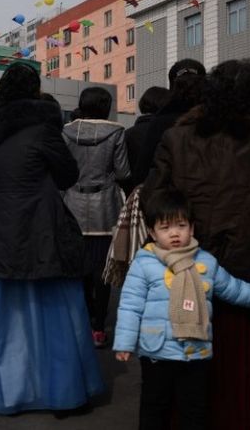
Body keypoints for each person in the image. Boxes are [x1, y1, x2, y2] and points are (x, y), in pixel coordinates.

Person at [142, 59, 250, 430]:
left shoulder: (177, 137)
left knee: (183, 362)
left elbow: (153, 202)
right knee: (236, 367)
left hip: (181, 265)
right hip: (244, 271)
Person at [0, 62, 105, 415]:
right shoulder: (43, 130)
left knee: (6, 316)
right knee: (56, 309)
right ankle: (63, 394)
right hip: (42, 227)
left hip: (0, 230)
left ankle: (6, 392)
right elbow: (67, 175)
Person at [114, 189, 250, 430]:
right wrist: (125, 342)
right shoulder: (143, 263)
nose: (174, 234)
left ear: (191, 228)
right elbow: (130, 305)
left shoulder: (206, 262)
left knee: (194, 410)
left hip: (195, 353)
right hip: (157, 353)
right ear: (152, 232)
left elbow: (233, 288)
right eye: (165, 227)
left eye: (180, 225)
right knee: (154, 407)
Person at [63, 86, 130, 347]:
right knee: (102, 271)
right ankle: (99, 328)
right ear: (106, 106)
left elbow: (64, 170)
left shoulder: (66, 131)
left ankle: (80, 321)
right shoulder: (116, 132)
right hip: (105, 206)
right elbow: (123, 172)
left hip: (73, 205)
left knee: (77, 269)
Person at [131, 59, 206, 187]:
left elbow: (142, 174)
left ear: (172, 88)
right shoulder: (220, 119)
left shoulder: (160, 122)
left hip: (171, 202)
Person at [121, 86, 170, 195]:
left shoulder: (127, 134)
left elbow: (122, 172)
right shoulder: (169, 132)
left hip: (134, 195)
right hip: (164, 197)